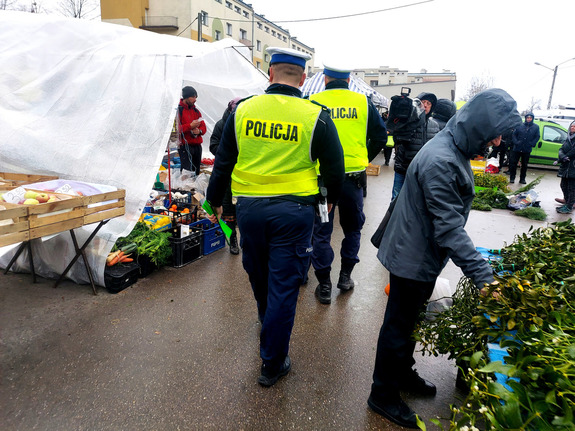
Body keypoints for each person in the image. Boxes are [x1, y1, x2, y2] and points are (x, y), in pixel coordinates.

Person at [368, 88, 521, 429]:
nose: (496, 143)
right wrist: (485, 279)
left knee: (407, 322)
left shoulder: (453, 145)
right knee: (398, 327)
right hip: (412, 256)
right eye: (495, 135)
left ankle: (402, 375)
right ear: (481, 125)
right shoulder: (442, 158)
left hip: (418, 250)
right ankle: (382, 394)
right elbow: (449, 228)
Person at [205, 47, 345, 387]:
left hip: (250, 210)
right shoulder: (317, 116)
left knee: (258, 272)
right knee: (284, 284)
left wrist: (214, 203)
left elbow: (222, 161)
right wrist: (324, 207)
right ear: (302, 78)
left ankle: (266, 320)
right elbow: (335, 172)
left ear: (270, 74)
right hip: (295, 214)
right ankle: (272, 362)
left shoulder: (242, 111)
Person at [308, 63, 388, 305]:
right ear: (349, 79)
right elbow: (381, 136)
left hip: (322, 182)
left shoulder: (313, 100)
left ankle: (323, 285)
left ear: (325, 79)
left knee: (322, 231)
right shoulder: (363, 102)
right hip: (352, 181)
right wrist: (364, 158)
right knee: (352, 228)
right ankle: (345, 277)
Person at [389, 92, 440, 200]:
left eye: (429, 103)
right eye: (423, 102)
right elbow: (396, 136)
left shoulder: (435, 126)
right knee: (396, 201)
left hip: (423, 173)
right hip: (403, 169)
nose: (425, 105)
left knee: (417, 203)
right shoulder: (408, 121)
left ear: (432, 107)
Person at [209, 97, 242, 254]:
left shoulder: (244, 124)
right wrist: (226, 154)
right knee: (227, 209)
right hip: (228, 172)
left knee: (241, 208)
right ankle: (232, 240)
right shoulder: (221, 125)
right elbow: (213, 145)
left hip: (243, 174)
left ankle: (246, 241)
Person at [177, 86, 206, 176]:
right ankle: (185, 189)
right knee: (186, 173)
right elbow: (176, 129)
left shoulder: (196, 111)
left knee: (196, 171)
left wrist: (199, 131)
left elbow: (204, 127)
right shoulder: (179, 110)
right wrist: (190, 126)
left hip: (197, 146)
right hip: (185, 147)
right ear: (186, 97)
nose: (195, 99)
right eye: (193, 97)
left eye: (196, 97)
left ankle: (194, 189)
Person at [508, 112, 540, 184]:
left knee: (524, 165)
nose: (529, 119)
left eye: (530, 118)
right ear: (525, 118)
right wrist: (516, 142)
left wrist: (531, 144)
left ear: (532, 119)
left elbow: (537, 137)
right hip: (517, 148)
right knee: (513, 164)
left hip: (527, 149)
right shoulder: (520, 125)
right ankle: (512, 178)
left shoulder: (536, 127)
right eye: (527, 118)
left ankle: (522, 179)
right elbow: (514, 135)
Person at [555, 120, 575, 214]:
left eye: (574, 127)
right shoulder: (568, 138)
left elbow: (572, 152)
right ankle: (567, 202)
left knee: (572, 188)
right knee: (563, 185)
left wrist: (565, 156)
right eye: (571, 127)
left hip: (573, 166)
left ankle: (569, 206)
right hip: (566, 166)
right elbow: (561, 149)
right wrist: (562, 156)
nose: (572, 128)